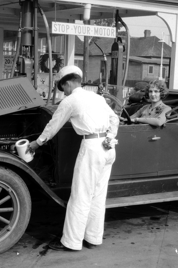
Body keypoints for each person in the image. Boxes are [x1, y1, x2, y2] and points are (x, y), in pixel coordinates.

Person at [26, 65, 119, 251]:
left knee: (80, 196)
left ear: (68, 83)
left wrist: (37, 143)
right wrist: (110, 137)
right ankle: (93, 239)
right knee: (98, 196)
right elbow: (114, 119)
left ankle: (72, 243)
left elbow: (53, 125)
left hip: (91, 147)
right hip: (108, 147)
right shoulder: (97, 97)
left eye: (64, 88)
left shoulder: (71, 100)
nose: (64, 92)